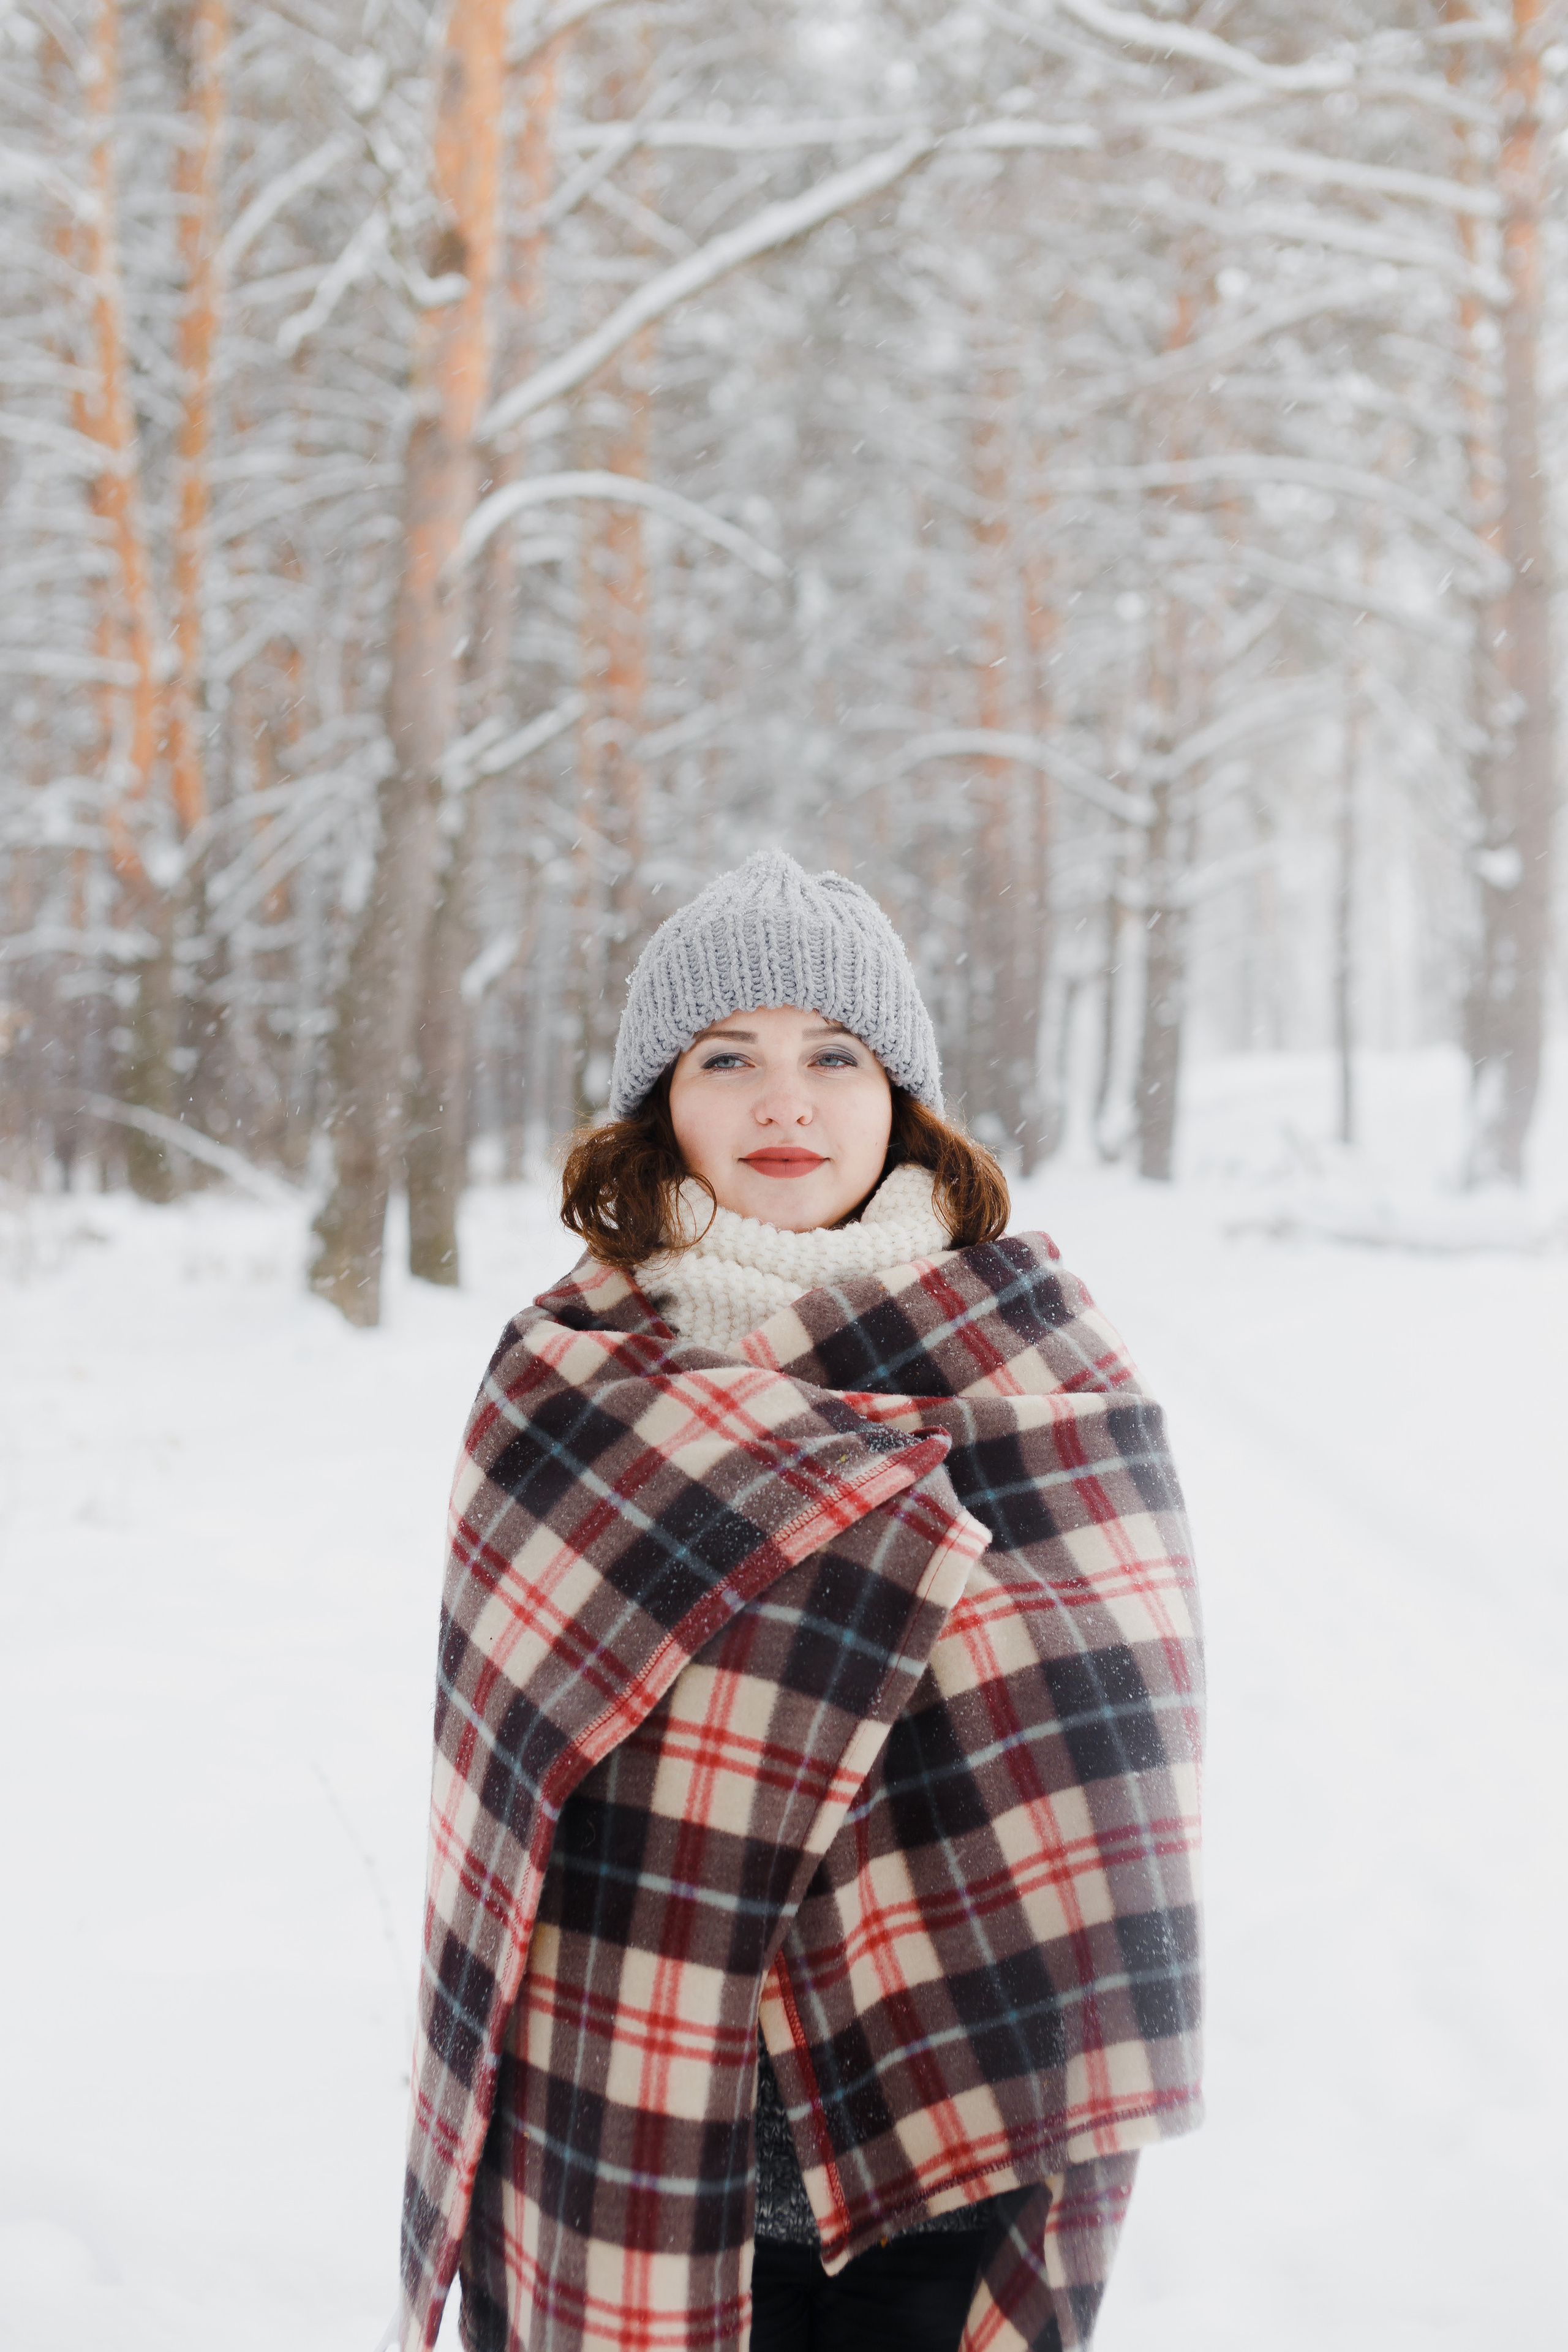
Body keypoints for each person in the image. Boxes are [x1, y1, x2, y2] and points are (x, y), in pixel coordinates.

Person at [398, 851, 1203, 2352]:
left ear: (899, 1096)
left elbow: (1106, 1751)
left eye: (835, 1056)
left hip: (943, 2123)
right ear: (664, 1110)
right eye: (729, 1059)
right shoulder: (563, 1386)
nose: (786, 1102)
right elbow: (506, 1792)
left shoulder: (1036, 1366)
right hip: (641, 2110)